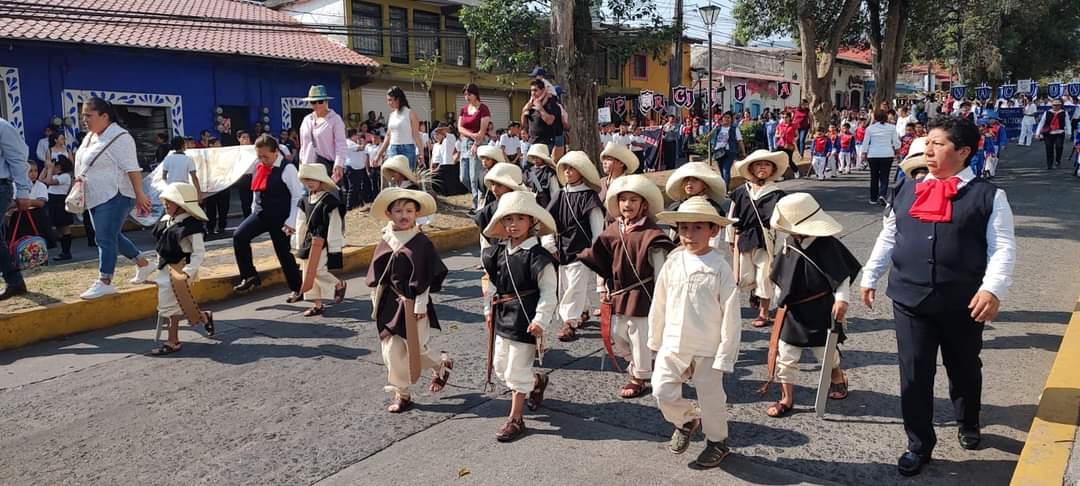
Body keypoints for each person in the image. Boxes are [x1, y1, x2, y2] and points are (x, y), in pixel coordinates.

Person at [860, 115, 1016, 476]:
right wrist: (870, 274)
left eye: (938, 143)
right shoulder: (906, 189)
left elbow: (1003, 247)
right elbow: (889, 235)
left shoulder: (989, 196)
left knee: (964, 367)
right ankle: (918, 444)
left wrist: (992, 288)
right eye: (927, 142)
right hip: (909, 299)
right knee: (914, 373)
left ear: (963, 152)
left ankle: (968, 420)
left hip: (963, 303)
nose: (928, 150)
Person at [650, 196, 740, 469]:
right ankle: (686, 420)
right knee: (661, 388)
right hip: (673, 340)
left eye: (698, 227)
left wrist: (726, 354)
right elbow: (659, 302)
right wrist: (655, 340)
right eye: (684, 228)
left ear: (713, 230)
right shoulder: (673, 262)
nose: (690, 234)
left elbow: (731, 315)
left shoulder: (720, 267)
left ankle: (717, 442)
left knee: (711, 398)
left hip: (707, 344)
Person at [761, 193, 862, 418]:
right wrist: (778, 298)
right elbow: (780, 274)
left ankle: (837, 376)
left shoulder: (828, 245)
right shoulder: (789, 242)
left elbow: (842, 275)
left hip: (820, 309)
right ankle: (786, 398)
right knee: (786, 356)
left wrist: (842, 299)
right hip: (792, 312)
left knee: (826, 353)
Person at [577, 175, 673, 399]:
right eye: (623, 200)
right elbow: (602, 259)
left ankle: (640, 377)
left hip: (643, 293)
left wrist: (663, 300)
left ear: (644, 204)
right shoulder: (613, 229)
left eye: (633, 200)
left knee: (639, 336)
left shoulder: (652, 235)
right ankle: (642, 363)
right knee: (618, 333)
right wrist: (603, 288)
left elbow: (661, 272)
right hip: (618, 292)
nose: (627, 204)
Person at [365, 187, 452, 413]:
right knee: (391, 351)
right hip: (389, 303)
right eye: (398, 211)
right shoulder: (386, 238)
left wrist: (421, 303)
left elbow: (426, 276)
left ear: (416, 214)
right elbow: (379, 277)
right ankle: (401, 393)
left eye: (409, 211)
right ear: (389, 214)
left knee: (416, 348)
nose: (404, 215)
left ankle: (441, 363)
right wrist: (375, 302)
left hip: (414, 302)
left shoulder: (421, 242)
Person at [74, 98, 155, 299]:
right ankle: (144, 264)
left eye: (88, 115)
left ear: (104, 116)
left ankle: (105, 281)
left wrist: (140, 194)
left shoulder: (120, 137)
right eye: (83, 115)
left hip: (116, 194)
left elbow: (132, 168)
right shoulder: (90, 137)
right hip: (95, 195)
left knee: (104, 237)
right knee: (111, 236)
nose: (84, 120)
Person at [232, 135, 303, 302]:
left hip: (281, 218)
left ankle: (298, 288)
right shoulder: (259, 167)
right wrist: (253, 210)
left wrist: (291, 221)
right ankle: (249, 276)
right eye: (259, 156)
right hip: (261, 214)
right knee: (239, 236)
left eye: (266, 156)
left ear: (276, 152)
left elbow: (297, 196)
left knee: (283, 253)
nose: (263, 160)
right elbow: (256, 191)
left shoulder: (287, 169)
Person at [726, 150, 789, 328]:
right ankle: (754, 292)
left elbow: (783, 221)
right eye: (758, 164)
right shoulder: (740, 192)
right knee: (745, 274)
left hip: (766, 240)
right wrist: (731, 239)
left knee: (764, 275)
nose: (762, 167)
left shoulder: (777, 195)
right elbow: (732, 217)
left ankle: (764, 312)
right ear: (751, 168)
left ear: (773, 169)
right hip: (745, 237)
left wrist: (783, 245)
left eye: (767, 164)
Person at [149, 182, 213, 356]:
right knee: (178, 303)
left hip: (181, 269)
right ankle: (204, 317)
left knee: (171, 305)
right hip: (165, 268)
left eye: (170, 201)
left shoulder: (192, 226)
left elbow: (199, 253)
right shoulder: (166, 220)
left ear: (181, 204)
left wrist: (188, 272)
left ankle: (173, 340)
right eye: (165, 201)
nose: (166, 205)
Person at [550, 151, 604, 342]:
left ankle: (569, 322)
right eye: (565, 168)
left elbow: (597, 223)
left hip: (582, 247)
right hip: (563, 246)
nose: (568, 172)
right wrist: (549, 243)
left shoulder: (589, 196)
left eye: (572, 168)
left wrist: (596, 247)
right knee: (568, 285)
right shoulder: (560, 195)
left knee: (574, 286)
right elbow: (548, 221)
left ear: (582, 171)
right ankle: (584, 309)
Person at [294, 164, 347, 317]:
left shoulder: (330, 202)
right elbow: (300, 224)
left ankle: (338, 284)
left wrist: (334, 246)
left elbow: (335, 225)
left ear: (321, 181)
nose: (309, 183)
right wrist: (299, 244)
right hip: (308, 242)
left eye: (313, 179)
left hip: (322, 242)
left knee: (317, 271)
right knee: (308, 273)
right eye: (306, 180)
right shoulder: (304, 200)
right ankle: (317, 305)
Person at [662, 162, 728, 248]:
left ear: (704, 185)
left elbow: (713, 241)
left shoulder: (713, 209)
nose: (689, 183)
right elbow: (672, 235)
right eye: (686, 179)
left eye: (695, 180)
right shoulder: (676, 207)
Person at [299, 85, 348, 181]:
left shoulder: (335, 119)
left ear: (326, 101)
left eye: (320, 101)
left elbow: (341, 144)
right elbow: (303, 145)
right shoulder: (306, 120)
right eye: (313, 102)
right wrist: (301, 165)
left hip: (326, 169)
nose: (317, 104)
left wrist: (339, 164)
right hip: (308, 169)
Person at [373, 86, 425, 171]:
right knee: (393, 177)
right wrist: (378, 155)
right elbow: (388, 136)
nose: (388, 103)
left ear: (397, 99)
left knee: (407, 176)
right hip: (393, 149)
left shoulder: (410, 113)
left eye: (390, 100)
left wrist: (421, 154)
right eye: (387, 100)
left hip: (407, 149)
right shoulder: (391, 115)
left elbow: (416, 135)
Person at [458, 84, 492, 210]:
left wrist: (476, 143)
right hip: (465, 143)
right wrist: (472, 135)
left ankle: (476, 205)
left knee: (474, 176)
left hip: (479, 143)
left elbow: (482, 132)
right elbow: (460, 127)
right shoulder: (463, 109)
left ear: (475, 94)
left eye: (469, 94)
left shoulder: (483, 108)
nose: (467, 97)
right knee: (463, 177)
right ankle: (480, 195)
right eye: (465, 94)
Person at [864, 109, 901, 206]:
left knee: (874, 177)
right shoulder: (892, 128)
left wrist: (864, 153)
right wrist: (898, 151)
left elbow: (865, 143)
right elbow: (896, 142)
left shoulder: (870, 129)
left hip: (873, 154)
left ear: (875, 118)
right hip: (887, 154)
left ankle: (873, 198)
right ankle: (882, 194)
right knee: (885, 176)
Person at [41, 154, 75, 261]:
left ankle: (66, 252)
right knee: (59, 229)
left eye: (54, 166)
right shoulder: (56, 176)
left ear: (59, 166)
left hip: (60, 203)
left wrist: (50, 169)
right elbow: (41, 180)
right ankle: (63, 251)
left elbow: (49, 182)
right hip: (53, 203)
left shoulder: (65, 176)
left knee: (64, 228)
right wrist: (46, 168)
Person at [521, 79, 562, 160]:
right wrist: (524, 112)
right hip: (531, 143)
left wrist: (540, 108)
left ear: (543, 90)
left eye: (535, 90)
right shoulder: (531, 105)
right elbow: (523, 124)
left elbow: (549, 121)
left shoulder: (551, 105)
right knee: (526, 166)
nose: (533, 93)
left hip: (545, 144)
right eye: (531, 90)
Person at [597, 141, 639, 206]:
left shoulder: (629, 184)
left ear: (621, 163)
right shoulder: (601, 182)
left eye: (609, 159)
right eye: (604, 159)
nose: (604, 162)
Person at [1035, 99, 1072, 169]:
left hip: (1060, 133)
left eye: (1058, 105)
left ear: (1060, 106)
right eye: (1054, 105)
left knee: (1059, 147)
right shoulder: (1047, 112)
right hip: (1049, 133)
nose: (1056, 106)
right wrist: (1037, 133)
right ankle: (1049, 164)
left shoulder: (1064, 113)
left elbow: (1068, 123)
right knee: (1049, 149)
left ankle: (1058, 160)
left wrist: (1069, 133)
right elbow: (1041, 123)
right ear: (1052, 105)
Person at [712, 112, 745, 185]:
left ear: (731, 119)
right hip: (718, 152)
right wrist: (715, 128)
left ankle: (725, 189)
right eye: (725, 117)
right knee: (721, 171)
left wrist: (743, 152)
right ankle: (724, 187)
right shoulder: (718, 128)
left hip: (730, 152)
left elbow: (740, 141)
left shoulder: (734, 129)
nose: (726, 119)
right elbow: (708, 138)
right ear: (722, 119)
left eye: (728, 117)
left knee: (726, 170)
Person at [523, 144, 558, 208]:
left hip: (545, 206)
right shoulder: (528, 171)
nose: (535, 159)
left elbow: (555, 192)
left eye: (538, 157)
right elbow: (524, 188)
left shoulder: (549, 173)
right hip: (530, 204)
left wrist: (553, 207)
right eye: (534, 157)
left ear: (543, 158)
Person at [343, 128, 371, 209]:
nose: (357, 137)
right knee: (353, 189)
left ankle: (355, 205)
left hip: (356, 168)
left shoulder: (352, 143)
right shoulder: (349, 143)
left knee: (356, 188)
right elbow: (361, 148)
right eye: (356, 135)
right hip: (353, 169)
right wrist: (364, 142)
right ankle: (349, 207)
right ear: (353, 135)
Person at [775, 111, 798, 178]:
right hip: (780, 145)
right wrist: (779, 135)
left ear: (789, 118)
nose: (784, 119)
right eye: (783, 117)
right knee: (779, 160)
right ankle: (780, 175)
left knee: (789, 160)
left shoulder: (793, 125)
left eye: (786, 117)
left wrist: (794, 140)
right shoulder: (779, 125)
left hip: (789, 145)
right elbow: (776, 135)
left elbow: (797, 135)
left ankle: (796, 171)